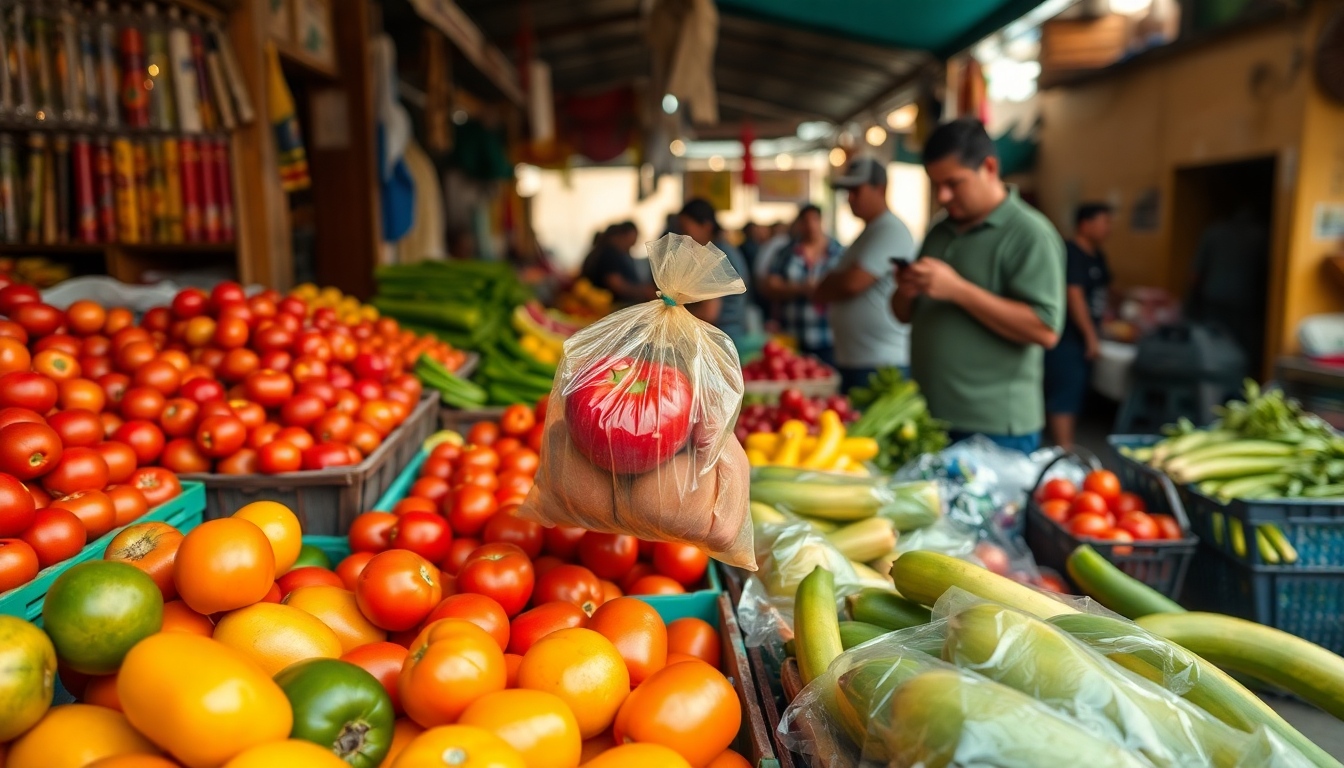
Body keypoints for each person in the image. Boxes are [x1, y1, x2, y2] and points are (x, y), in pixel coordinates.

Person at [891, 118, 1065, 454]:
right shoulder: (939, 230)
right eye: (936, 185)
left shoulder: (1030, 234)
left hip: (995, 427)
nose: (943, 195)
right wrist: (906, 290)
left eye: (954, 183)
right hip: (929, 417)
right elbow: (902, 314)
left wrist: (958, 290)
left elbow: (1045, 330)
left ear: (989, 167)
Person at [815, 157, 916, 392]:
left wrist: (833, 283)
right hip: (861, 360)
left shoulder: (890, 229)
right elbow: (824, 289)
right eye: (847, 191)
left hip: (881, 362)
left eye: (856, 190)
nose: (849, 198)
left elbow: (851, 283)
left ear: (879, 188)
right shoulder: (868, 233)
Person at [1045, 203, 1113, 449]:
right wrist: (1090, 336)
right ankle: (1063, 449)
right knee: (1065, 390)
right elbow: (1074, 295)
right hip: (1068, 337)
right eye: (1105, 222)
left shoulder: (1098, 255)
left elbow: (1103, 293)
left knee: (1075, 390)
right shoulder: (1070, 253)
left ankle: (1065, 447)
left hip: (1085, 335)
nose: (1109, 228)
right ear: (1085, 224)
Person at [759, 204, 843, 364]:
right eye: (805, 221)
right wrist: (801, 288)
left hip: (828, 335)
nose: (810, 225)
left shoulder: (837, 251)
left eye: (814, 220)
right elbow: (770, 285)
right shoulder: (786, 252)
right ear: (799, 224)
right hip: (793, 334)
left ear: (821, 221)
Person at [678, 198, 751, 349]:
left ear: (706, 226)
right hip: (729, 335)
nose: (684, 238)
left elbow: (709, 312)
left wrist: (672, 316)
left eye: (686, 231)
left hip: (722, 339)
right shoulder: (725, 250)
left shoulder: (715, 256)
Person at [581, 221, 655, 303]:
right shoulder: (610, 254)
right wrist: (644, 291)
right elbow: (616, 285)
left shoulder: (606, 251)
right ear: (622, 236)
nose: (634, 244)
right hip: (608, 306)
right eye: (633, 239)